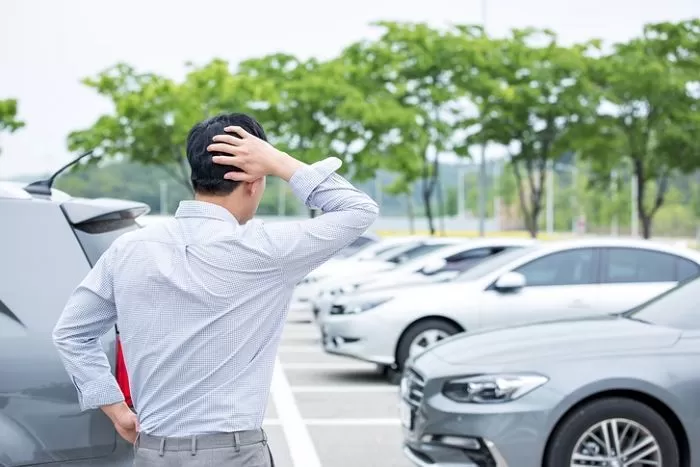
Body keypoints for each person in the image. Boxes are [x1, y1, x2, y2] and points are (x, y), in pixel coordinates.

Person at [52, 112, 379, 467]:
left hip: (153, 452)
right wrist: (281, 162)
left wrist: (116, 410)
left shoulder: (130, 248)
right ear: (253, 180)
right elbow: (358, 210)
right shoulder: (266, 249)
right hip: (232, 454)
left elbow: (72, 333)